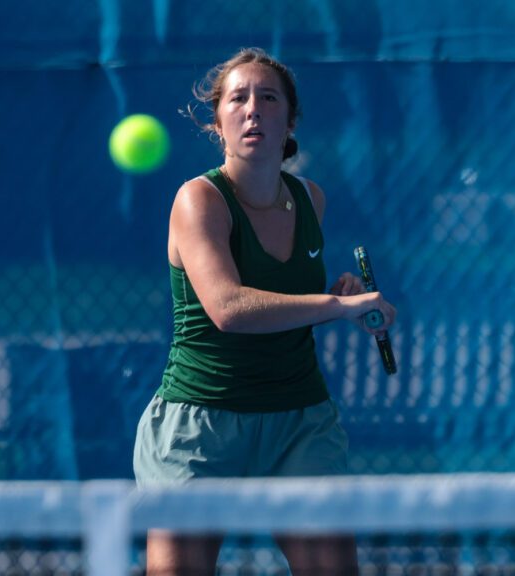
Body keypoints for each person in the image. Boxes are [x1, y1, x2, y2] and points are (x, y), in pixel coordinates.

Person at [133, 47, 397, 576]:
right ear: (218, 123)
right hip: (200, 423)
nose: (253, 109)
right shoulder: (197, 200)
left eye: (268, 98)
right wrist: (336, 305)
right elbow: (229, 308)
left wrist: (337, 296)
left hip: (299, 423)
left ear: (289, 120)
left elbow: (285, 301)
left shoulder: (311, 199)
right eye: (238, 98)